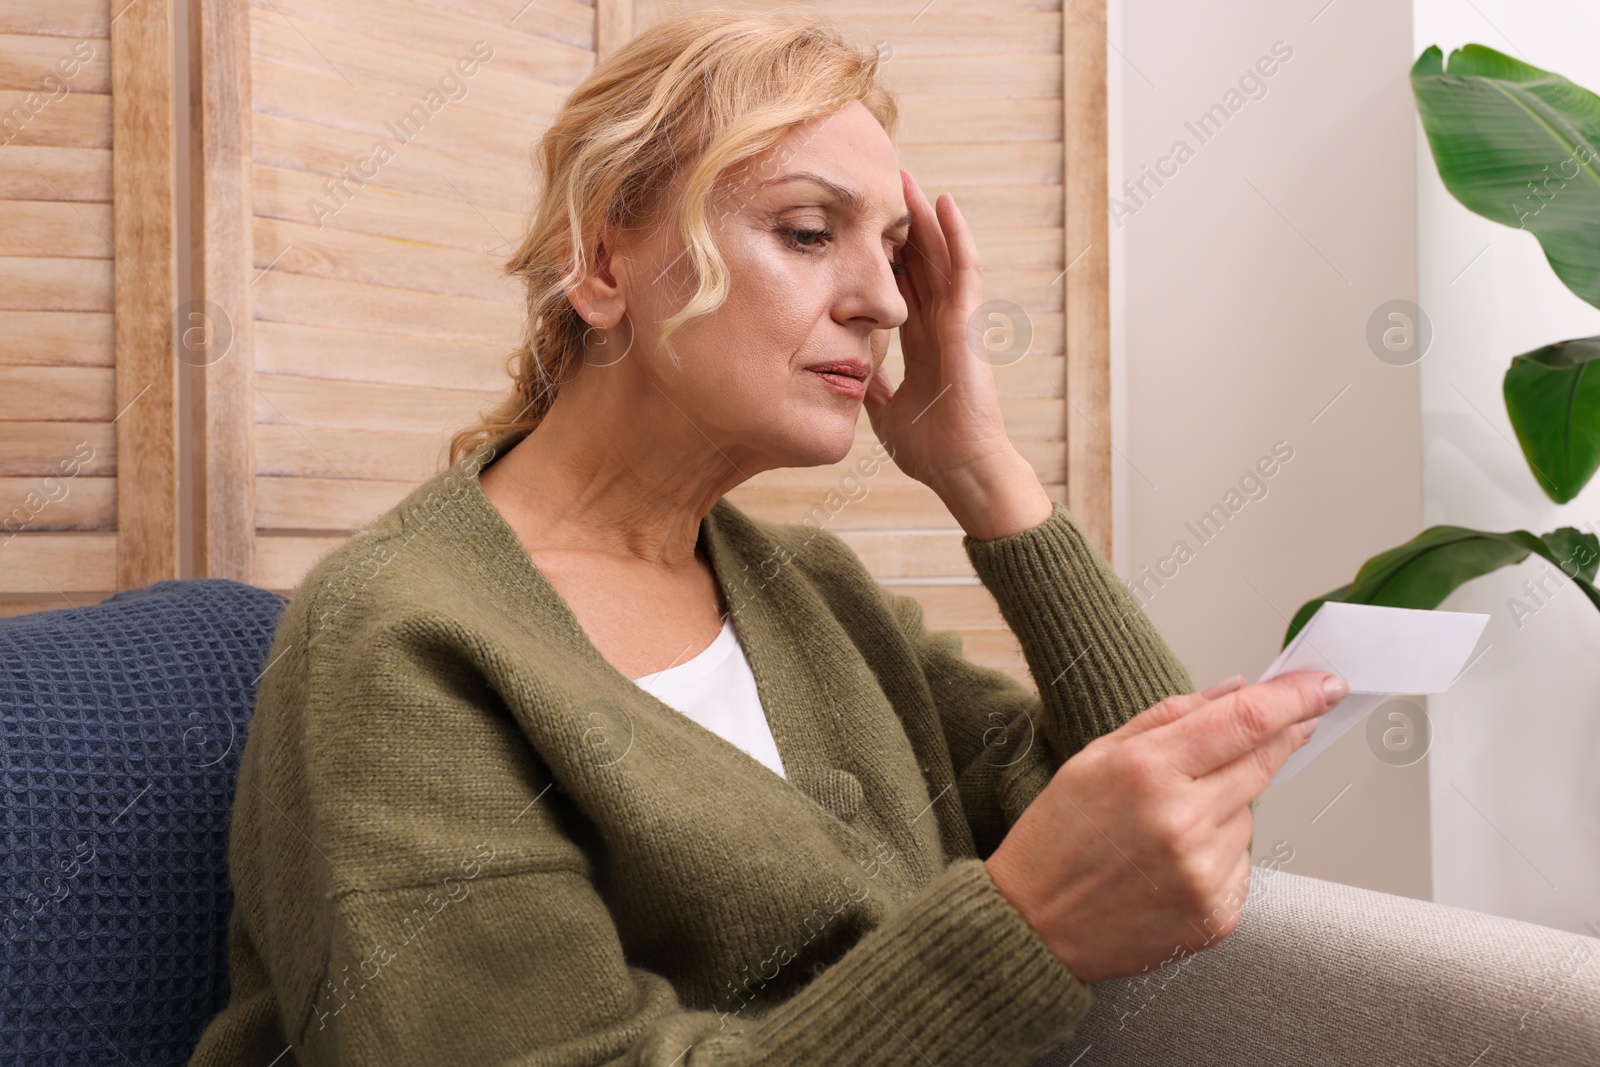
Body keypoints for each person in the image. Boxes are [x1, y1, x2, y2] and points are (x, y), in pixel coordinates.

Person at [187, 9, 1346, 1066]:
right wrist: (1019, 929)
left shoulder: (811, 591)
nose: (887, 304)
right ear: (599, 264)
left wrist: (984, 474)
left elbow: (1171, 826)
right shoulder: (400, 641)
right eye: (806, 232)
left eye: (892, 251)